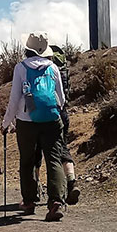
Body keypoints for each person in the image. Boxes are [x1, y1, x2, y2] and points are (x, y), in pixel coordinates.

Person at [1, 33, 68, 222]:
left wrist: (6, 123)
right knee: (53, 159)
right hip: (52, 120)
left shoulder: (20, 68)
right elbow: (61, 99)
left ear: (27, 48)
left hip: (26, 121)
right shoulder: (53, 67)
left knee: (27, 161)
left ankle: (29, 201)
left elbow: (14, 99)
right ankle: (55, 202)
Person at [33, 45, 80, 204]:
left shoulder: (43, 69)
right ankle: (71, 181)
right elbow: (63, 95)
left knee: (37, 150)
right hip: (62, 113)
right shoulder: (62, 68)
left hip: (44, 115)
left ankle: (35, 188)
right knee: (62, 148)